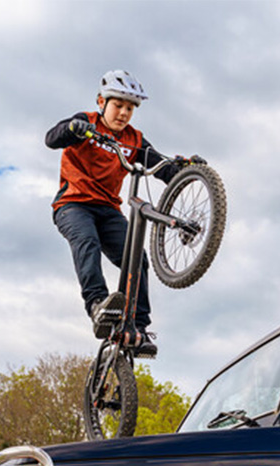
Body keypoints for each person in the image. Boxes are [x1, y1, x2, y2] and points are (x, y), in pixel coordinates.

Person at [46, 70, 178, 358]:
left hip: (108, 210)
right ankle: (97, 305)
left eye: (130, 108)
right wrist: (73, 129)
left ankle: (139, 327)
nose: (123, 113)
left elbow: (161, 167)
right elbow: (51, 138)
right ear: (101, 102)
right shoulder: (85, 122)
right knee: (87, 241)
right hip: (73, 205)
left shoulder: (133, 140)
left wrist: (185, 168)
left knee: (137, 259)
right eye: (118, 105)